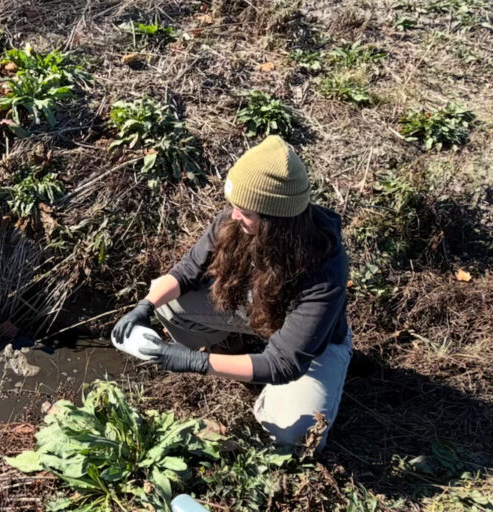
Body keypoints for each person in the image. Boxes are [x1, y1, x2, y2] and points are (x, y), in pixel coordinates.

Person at [112, 135, 351, 449]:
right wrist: (144, 306)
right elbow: (186, 272)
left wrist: (197, 362)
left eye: (247, 213)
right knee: (168, 304)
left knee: (295, 434)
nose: (235, 216)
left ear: (276, 221)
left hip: (313, 349)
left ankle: (281, 380)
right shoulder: (237, 220)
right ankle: (236, 347)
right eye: (235, 207)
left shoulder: (325, 269)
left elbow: (284, 363)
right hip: (259, 313)